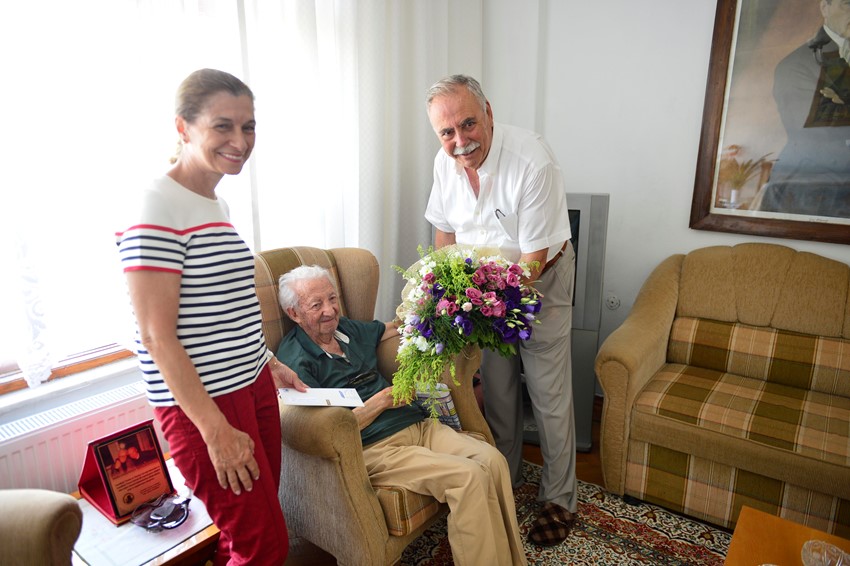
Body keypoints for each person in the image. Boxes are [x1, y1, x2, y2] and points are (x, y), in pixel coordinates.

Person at [115, 68, 307, 565]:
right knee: (264, 546)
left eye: (249, 127)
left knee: (243, 539)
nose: (240, 141)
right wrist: (215, 430)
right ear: (183, 128)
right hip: (208, 406)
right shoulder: (155, 204)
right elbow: (157, 337)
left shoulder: (213, 203)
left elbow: (222, 309)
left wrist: (266, 361)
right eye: (223, 126)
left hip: (252, 386)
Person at [275, 265, 527, 566]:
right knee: (469, 477)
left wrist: (434, 312)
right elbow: (325, 432)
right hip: (375, 447)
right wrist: (380, 402)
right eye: (316, 305)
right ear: (294, 313)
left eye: (332, 298)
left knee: (493, 461)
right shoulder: (295, 362)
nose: (330, 310)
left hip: (415, 424)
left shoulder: (348, 330)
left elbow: (393, 328)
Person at [423, 74, 578, 546]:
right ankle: (505, 476)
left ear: (488, 113)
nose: (459, 140)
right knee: (499, 386)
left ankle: (559, 497)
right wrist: (450, 290)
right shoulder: (444, 161)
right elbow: (444, 234)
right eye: (446, 132)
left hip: (540, 279)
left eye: (468, 124)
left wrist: (486, 303)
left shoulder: (533, 160)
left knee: (548, 394)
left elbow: (533, 259)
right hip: (485, 290)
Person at [759, 0, 850, 216]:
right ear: (824, 8)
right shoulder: (795, 65)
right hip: (812, 193)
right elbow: (817, 135)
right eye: (848, 4)